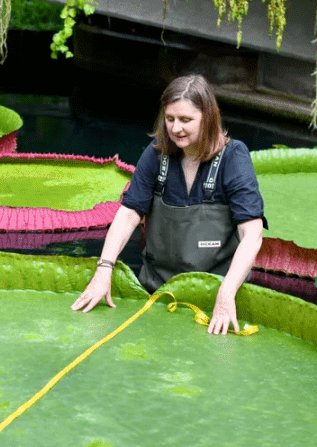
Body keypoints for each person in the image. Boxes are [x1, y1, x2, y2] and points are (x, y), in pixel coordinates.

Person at [71, 74, 266, 335]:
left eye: (186, 120)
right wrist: (104, 269)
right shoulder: (156, 155)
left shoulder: (234, 157)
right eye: (170, 118)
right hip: (157, 292)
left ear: (207, 118)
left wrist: (226, 293)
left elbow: (251, 234)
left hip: (217, 293)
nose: (176, 128)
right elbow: (129, 214)